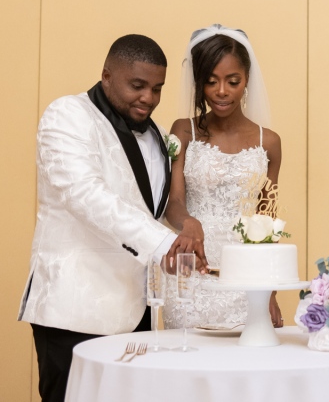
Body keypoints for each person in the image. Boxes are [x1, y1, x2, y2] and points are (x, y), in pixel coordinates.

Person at [17, 34, 205, 402]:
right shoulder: (67, 114)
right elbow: (84, 195)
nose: (148, 98)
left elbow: (156, 203)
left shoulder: (157, 135)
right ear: (106, 75)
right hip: (74, 313)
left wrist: (187, 225)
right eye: (137, 86)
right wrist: (164, 243)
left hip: (139, 317)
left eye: (157, 88)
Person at [162, 24, 283, 329]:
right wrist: (190, 223)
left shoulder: (269, 142)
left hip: (246, 277)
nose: (221, 91)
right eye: (211, 81)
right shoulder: (183, 131)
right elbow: (173, 201)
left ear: (247, 80)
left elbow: (266, 221)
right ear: (199, 83)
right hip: (192, 271)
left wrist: (269, 290)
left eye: (233, 81)